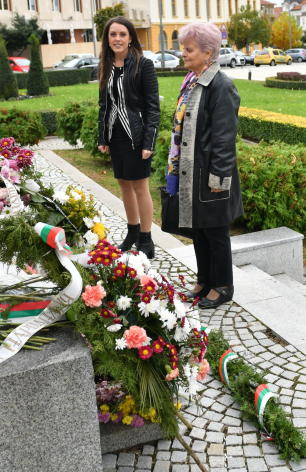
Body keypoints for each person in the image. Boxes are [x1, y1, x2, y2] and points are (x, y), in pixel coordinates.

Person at [164, 22, 242, 309]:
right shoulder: (192, 80)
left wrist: (218, 182)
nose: (182, 53)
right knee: (199, 230)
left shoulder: (221, 86)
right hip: (191, 173)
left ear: (208, 52)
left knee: (215, 231)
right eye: (183, 48)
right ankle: (204, 279)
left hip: (211, 174)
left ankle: (222, 285)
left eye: (188, 49)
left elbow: (224, 139)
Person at [96, 17, 161, 258]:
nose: (117, 39)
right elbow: (104, 105)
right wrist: (102, 137)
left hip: (137, 134)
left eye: (122, 34)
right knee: (124, 184)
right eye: (113, 34)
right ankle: (132, 232)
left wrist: (149, 141)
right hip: (116, 135)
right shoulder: (106, 65)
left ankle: (146, 238)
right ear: (108, 39)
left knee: (140, 186)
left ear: (130, 37)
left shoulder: (144, 65)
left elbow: (153, 107)